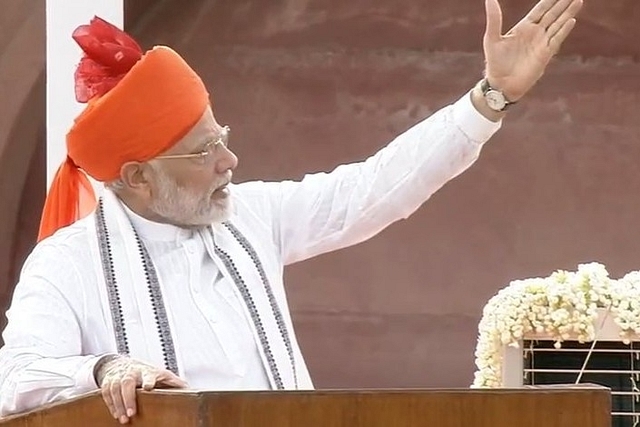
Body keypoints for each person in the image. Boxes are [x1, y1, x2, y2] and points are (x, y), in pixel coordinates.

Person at [0, 0, 583, 423]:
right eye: (205, 150)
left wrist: (491, 97)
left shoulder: (250, 216)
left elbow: (374, 189)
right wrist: (103, 371)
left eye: (221, 134)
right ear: (138, 177)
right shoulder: (66, 264)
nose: (230, 158)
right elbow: (18, 377)